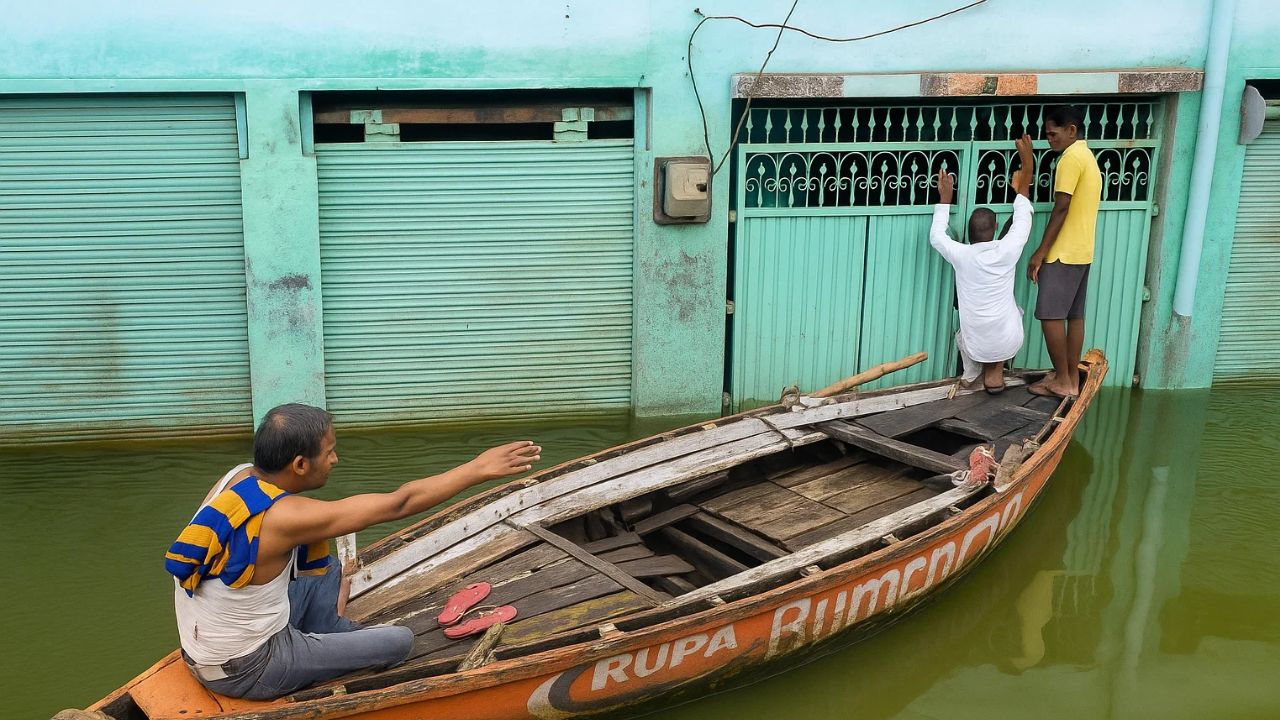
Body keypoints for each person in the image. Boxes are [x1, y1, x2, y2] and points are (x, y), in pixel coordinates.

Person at [164, 403, 540, 700]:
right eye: (329, 452)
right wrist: (478, 468)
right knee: (399, 642)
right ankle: (325, 644)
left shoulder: (238, 476)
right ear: (299, 464)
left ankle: (327, 630)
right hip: (251, 669)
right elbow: (400, 503)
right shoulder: (285, 517)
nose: (335, 459)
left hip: (209, 651)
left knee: (326, 567)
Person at [930, 134, 1036, 393]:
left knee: (964, 333)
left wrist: (945, 199)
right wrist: (1027, 168)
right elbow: (1023, 215)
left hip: (975, 344)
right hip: (1008, 341)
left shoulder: (962, 254)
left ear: (968, 232)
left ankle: (972, 370)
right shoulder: (1007, 249)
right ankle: (996, 372)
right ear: (996, 227)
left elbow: (936, 237)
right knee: (1015, 311)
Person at [1026, 105, 1102, 398]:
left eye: (1053, 133)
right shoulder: (1088, 157)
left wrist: (1040, 252)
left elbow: (1061, 207)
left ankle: (1063, 380)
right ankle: (1068, 378)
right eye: (1047, 135)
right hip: (1082, 251)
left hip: (1063, 253)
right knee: (1074, 316)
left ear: (1071, 130)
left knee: (1050, 316)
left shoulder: (1070, 159)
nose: (1049, 140)